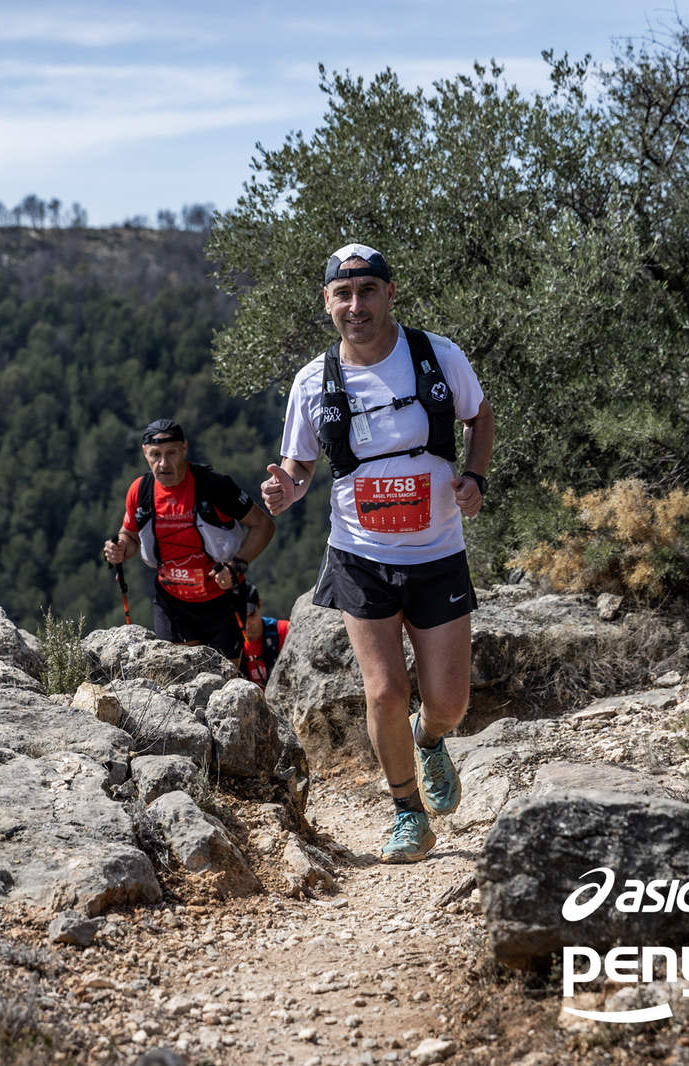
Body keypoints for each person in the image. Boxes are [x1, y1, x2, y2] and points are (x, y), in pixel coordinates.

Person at [261, 243, 494, 863]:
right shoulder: (313, 381)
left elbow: (479, 416)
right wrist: (285, 489)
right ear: (327, 302)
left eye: (367, 291)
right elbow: (299, 465)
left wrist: (475, 478)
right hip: (359, 554)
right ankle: (408, 814)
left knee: (449, 703)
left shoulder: (436, 356)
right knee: (385, 690)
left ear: (390, 293)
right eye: (343, 294)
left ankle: (430, 738)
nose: (355, 305)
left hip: (437, 551)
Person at [104, 418, 275, 660]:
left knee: (224, 677)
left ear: (184, 448)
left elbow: (263, 525)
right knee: (179, 676)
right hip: (172, 603)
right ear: (145, 453)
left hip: (222, 600)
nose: (163, 463)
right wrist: (120, 547)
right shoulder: (140, 491)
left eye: (171, 453)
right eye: (155, 455)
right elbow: (130, 535)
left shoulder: (214, 486)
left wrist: (237, 566)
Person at [236, 581, 290, 689]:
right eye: (241, 617)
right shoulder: (232, 644)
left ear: (259, 604)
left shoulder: (283, 630)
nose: (247, 623)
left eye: (251, 615)